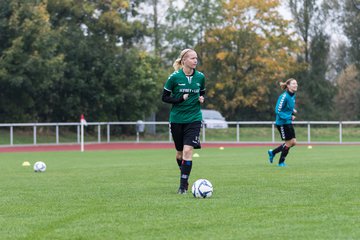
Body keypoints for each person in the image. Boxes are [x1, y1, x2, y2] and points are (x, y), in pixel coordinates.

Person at [162, 48, 205, 194]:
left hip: (194, 118)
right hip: (177, 119)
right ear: (184, 60)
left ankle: (182, 186)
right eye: (192, 58)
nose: (195, 61)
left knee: (188, 151)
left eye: (196, 58)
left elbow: (202, 91)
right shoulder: (174, 77)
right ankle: (184, 176)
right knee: (180, 153)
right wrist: (179, 99)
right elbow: (165, 97)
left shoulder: (200, 77)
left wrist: (201, 98)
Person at [268, 78, 298, 167]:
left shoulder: (293, 95)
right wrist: (289, 116)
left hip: (288, 122)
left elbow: (288, 107)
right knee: (289, 143)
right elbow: (278, 110)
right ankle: (281, 162)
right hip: (281, 123)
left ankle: (272, 152)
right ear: (288, 86)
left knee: (293, 142)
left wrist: (292, 111)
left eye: (296, 83)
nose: (296, 85)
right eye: (293, 83)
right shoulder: (283, 96)